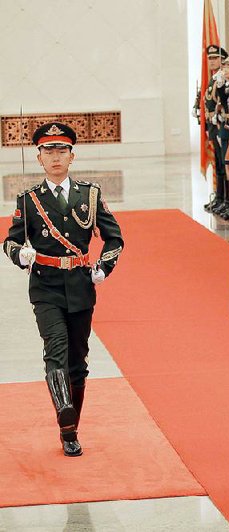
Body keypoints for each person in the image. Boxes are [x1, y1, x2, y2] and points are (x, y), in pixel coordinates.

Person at [3, 122, 124, 457]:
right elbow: (10, 241)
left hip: (81, 285)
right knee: (54, 349)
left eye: (61, 151)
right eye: (48, 152)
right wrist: (21, 255)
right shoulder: (28, 200)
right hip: (45, 284)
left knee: (78, 360)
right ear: (39, 158)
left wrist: (103, 266)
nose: (55, 157)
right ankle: (65, 420)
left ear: (71, 156)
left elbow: (115, 238)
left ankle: (73, 423)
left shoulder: (90, 194)